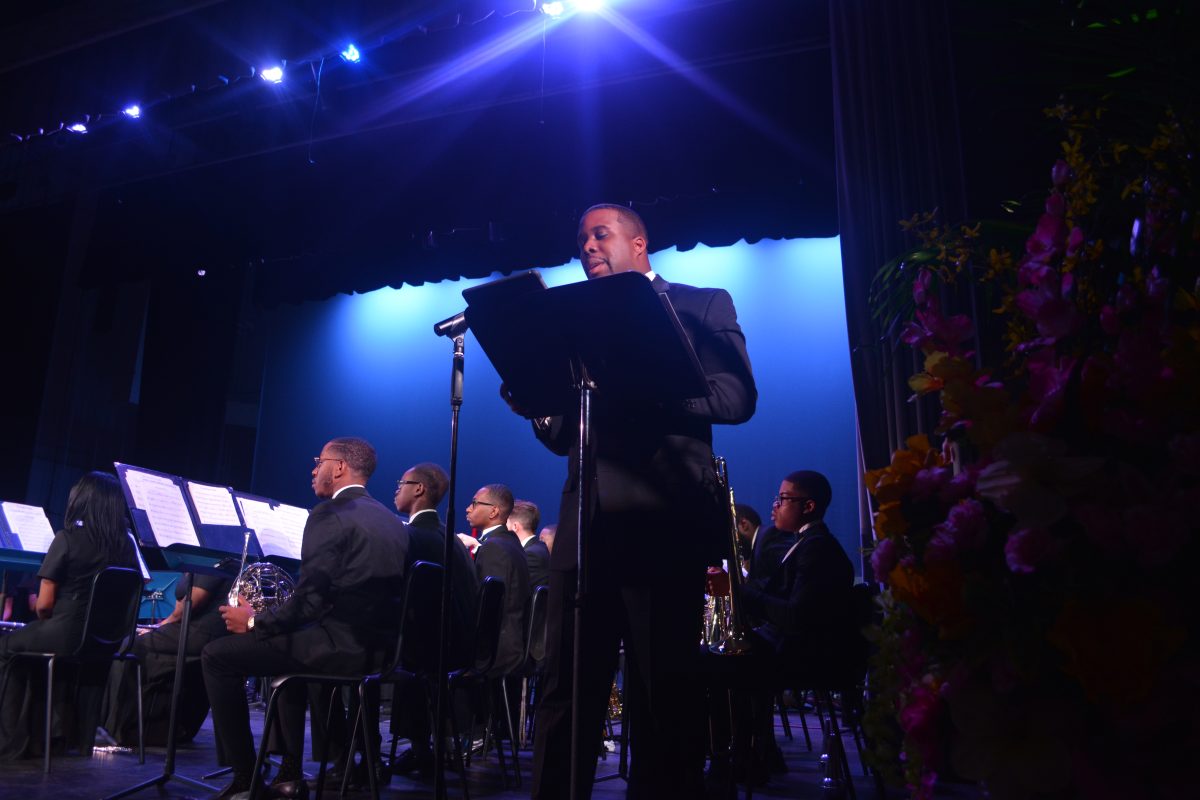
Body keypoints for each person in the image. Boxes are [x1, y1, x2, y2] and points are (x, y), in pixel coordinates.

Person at [515, 204, 757, 800]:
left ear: (639, 242)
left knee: (662, 690)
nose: (588, 247)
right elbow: (557, 438)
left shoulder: (702, 303)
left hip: (662, 524)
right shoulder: (573, 325)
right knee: (565, 688)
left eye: (601, 234)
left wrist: (643, 385)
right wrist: (535, 398)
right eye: (581, 240)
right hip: (584, 529)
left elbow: (736, 397)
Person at [201, 437, 409, 800]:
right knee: (288, 650)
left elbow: (309, 602)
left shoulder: (328, 514)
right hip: (381, 652)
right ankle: (290, 770)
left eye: (319, 461)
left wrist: (253, 622)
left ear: (340, 467)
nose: (314, 470)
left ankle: (246, 780)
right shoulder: (392, 521)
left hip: (340, 648)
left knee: (217, 656)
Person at [0, 471, 139, 760]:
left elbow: (44, 606)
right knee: (43, 649)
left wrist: (48, 620)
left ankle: (14, 737)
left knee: (7, 648)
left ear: (81, 501)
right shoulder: (128, 547)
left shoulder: (67, 539)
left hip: (67, 634)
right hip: (108, 641)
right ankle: (56, 736)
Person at [389, 462, 478, 779]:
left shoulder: (412, 535)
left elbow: (402, 598)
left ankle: (362, 756)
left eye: (402, 482)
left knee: (380, 648)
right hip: (463, 646)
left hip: (435, 650)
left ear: (419, 489)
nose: (396, 488)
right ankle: (421, 745)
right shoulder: (450, 537)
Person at [103, 571, 231, 746]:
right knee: (131, 640)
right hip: (193, 629)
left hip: (202, 633)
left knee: (130, 646)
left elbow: (190, 604)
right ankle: (123, 727)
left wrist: (159, 627)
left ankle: (118, 731)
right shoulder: (195, 565)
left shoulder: (215, 563)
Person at [465, 484, 530, 678]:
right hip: (510, 644)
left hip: (497, 652)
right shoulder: (510, 543)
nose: (468, 508)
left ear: (494, 511)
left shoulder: (494, 547)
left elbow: (488, 611)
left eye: (474, 503)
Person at [509, 499, 550, 589]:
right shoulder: (539, 548)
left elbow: (518, 591)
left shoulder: (530, 555)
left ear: (515, 526)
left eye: (505, 524)